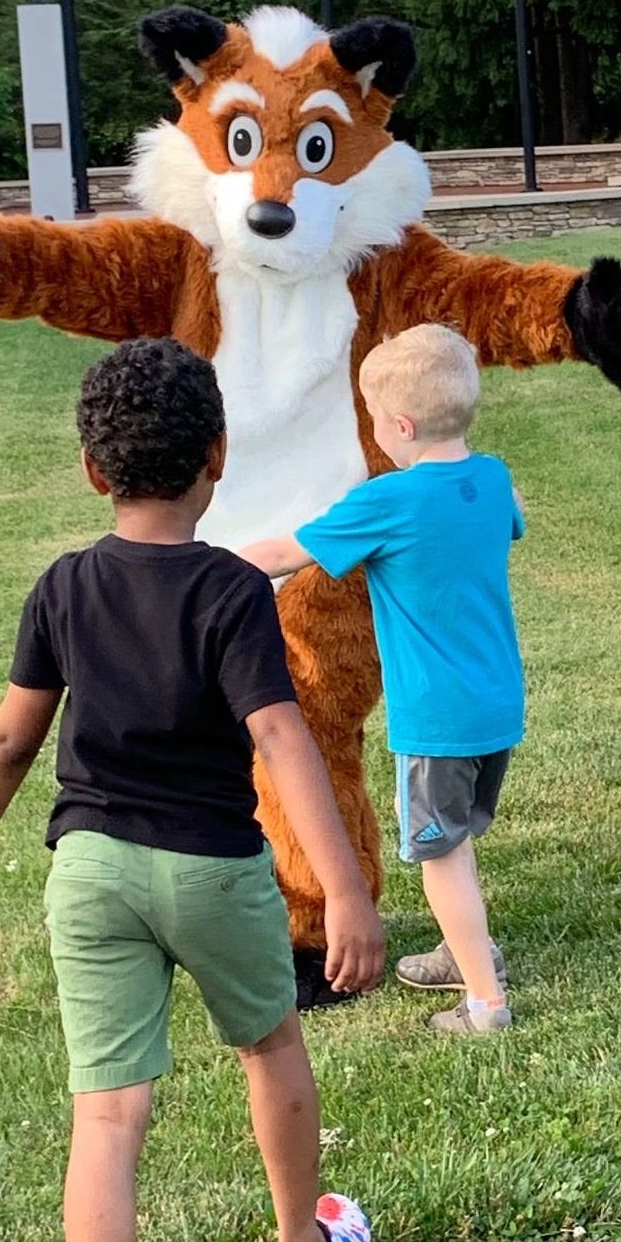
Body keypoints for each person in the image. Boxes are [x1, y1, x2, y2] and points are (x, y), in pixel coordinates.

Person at [0, 338, 384, 1242]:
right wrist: (341, 888)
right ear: (217, 454)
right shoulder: (229, 590)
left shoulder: (64, 585)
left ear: (93, 469)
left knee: (109, 1116)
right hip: (213, 865)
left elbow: (9, 737)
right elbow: (277, 733)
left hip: (89, 871)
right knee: (270, 1046)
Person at [241, 323, 525, 1037]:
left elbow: (286, 551)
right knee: (460, 836)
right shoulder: (492, 478)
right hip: (499, 704)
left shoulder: (387, 501)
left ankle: (485, 1001)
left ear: (400, 425)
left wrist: (202, 567)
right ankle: (465, 944)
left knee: (441, 854)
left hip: (438, 719)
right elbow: (514, 519)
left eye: (374, 421)